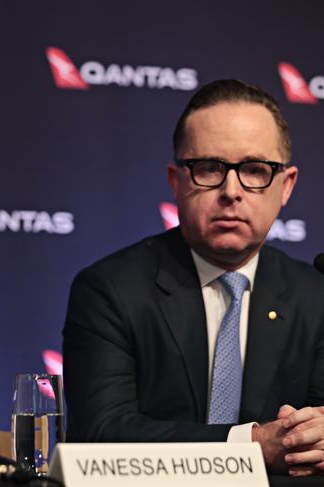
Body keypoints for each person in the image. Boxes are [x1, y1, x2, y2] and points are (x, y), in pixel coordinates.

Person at [63, 79, 324, 476]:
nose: (231, 191)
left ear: (286, 186)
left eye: (254, 170)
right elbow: (101, 434)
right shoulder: (110, 290)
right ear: (176, 180)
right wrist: (250, 446)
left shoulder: (316, 296)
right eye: (209, 169)